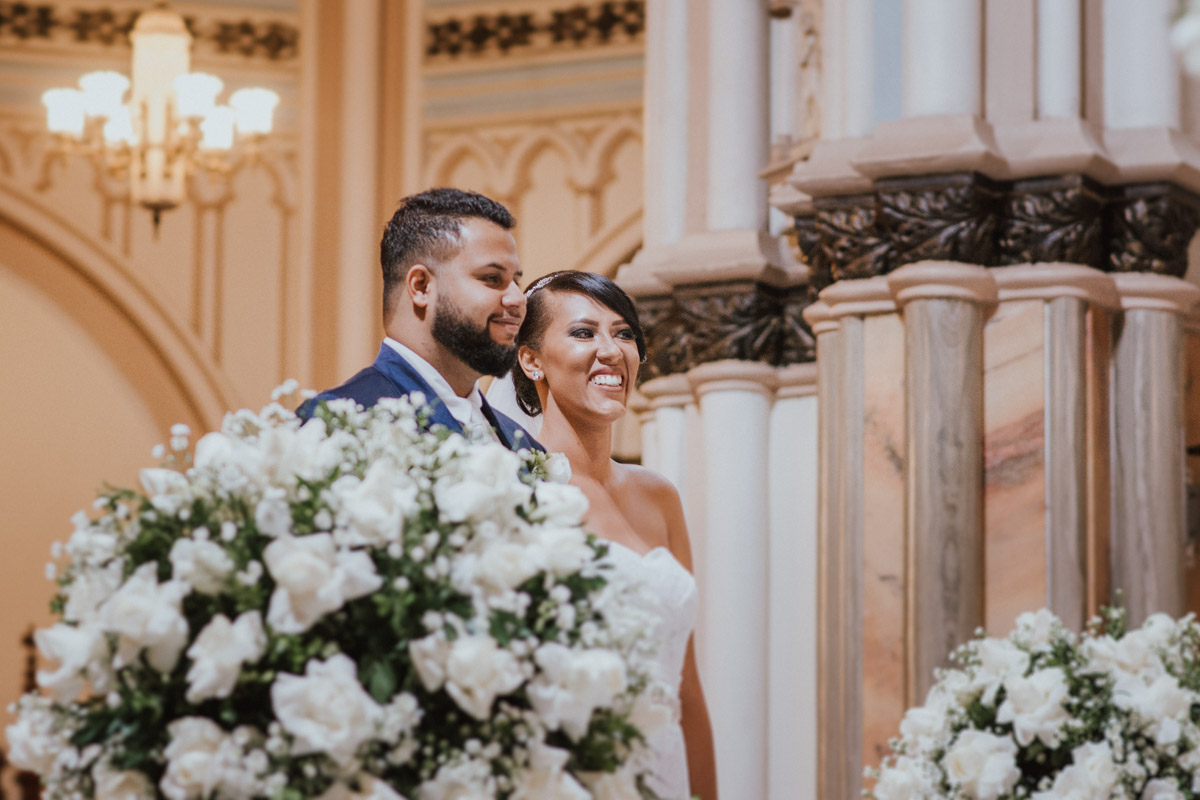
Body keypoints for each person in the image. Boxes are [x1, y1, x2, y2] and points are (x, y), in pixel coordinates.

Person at [509, 270, 718, 800]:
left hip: (665, 769)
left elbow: (686, 690)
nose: (612, 351)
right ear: (531, 359)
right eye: (583, 333)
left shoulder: (659, 496)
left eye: (623, 334)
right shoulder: (515, 490)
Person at [299, 188, 541, 452]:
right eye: (492, 278)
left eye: (516, 281)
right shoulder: (336, 427)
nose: (518, 299)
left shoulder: (524, 446)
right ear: (422, 286)